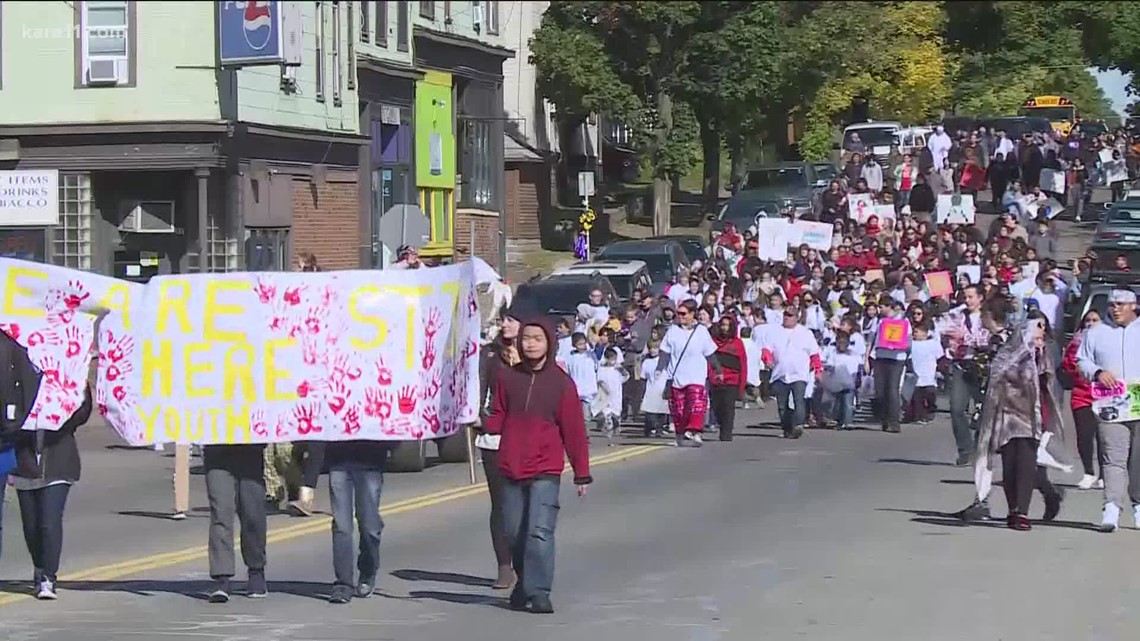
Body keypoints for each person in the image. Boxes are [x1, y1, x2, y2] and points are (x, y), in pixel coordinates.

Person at [483, 317, 593, 614]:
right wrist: (477, 422)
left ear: (549, 344)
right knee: (515, 533)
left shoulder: (560, 382)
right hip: (510, 465)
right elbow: (498, 416)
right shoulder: (508, 378)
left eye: (537, 339)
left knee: (539, 532)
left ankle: (539, 592)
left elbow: (574, 430)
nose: (531, 343)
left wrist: (581, 472)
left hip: (545, 467)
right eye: (527, 338)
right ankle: (524, 583)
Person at [974, 317, 1066, 531]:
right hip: (1006, 417)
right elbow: (995, 378)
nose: (1040, 336)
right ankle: (1012, 508)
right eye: (1036, 332)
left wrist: (1040, 355)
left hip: (1031, 417)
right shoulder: (1006, 353)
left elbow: (1049, 382)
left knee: (1026, 463)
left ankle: (1022, 512)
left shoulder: (1041, 355)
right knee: (1010, 464)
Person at [9, 381, 90, 600]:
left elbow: (83, 411)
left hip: (58, 462)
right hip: (24, 462)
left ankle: (48, 577)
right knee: (31, 525)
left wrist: (63, 413)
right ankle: (39, 565)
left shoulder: (67, 372)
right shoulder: (19, 374)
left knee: (49, 521)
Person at [1077, 288, 1140, 532]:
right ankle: (1111, 508)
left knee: (1138, 459)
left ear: (1134, 306)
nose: (1115, 308)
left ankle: (1138, 505)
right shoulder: (1096, 332)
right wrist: (1097, 372)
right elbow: (1082, 360)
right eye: (1113, 304)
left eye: (1121, 304)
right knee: (1113, 457)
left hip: (1138, 401)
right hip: (1110, 404)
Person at [477, 307, 524, 591]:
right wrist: (481, 419)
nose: (504, 324)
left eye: (510, 319)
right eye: (502, 319)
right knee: (501, 504)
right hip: (494, 440)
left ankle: (525, 562)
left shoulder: (536, 353)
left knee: (525, 505)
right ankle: (504, 565)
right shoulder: (489, 355)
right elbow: (478, 391)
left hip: (527, 438)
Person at [325, 434, 393, 604]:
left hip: (370, 461)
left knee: (370, 525)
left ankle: (367, 572)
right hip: (338, 460)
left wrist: (390, 442)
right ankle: (343, 584)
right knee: (342, 525)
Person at [204, 441, 269, 602]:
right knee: (221, 513)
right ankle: (222, 578)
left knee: (252, 514)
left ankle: (256, 570)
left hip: (250, 449)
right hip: (217, 450)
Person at [287, 253, 326, 517]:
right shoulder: (288, 303)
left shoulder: (322, 302)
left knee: (315, 441)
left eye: (299, 268)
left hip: (319, 384)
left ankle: (306, 496)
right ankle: (290, 491)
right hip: (293, 382)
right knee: (288, 444)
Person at [657, 300, 721, 447]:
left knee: (695, 405)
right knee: (678, 409)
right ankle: (680, 435)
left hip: (696, 376)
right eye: (678, 313)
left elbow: (710, 353)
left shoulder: (702, 331)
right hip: (677, 376)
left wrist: (718, 370)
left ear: (692, 314)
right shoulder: (672, 331)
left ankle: (695, 432)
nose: (680, 316)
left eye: (683, 314)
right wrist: (660, 369)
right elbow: (665, 352)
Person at [942, 285, 990, 466]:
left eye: (971, 297)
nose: (968, 300)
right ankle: (965, 450)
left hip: (981, 365)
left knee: (984, 411)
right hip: (961, 364)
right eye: (965, 297)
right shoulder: (958, 316)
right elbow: (943, 331)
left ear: (980, 298)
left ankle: (981, 448)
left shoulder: (987, 316)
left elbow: (991, 338)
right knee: (956, 409)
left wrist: (969, 339)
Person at [1062, 310, 1103, 491]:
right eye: (1088, 320)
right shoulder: (1076, 343)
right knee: (1084, 436)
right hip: (1081, 394)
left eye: (1095, 320)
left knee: (1104, 437)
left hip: (1105, 395)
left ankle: (1104, 475)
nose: (1091, 323)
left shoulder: (1110, 343)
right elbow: (1068, 365)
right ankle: (1088, 472)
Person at [769, 305, 821, 439]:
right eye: (785, 314)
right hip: (780, 374)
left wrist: (818, 370)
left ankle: (798, 425)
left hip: (799, 373)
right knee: (782, 405)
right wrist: (767, 359)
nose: (787, 317)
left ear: (797, 318)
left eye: (790, 315)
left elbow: (814, 353)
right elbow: (766, 349)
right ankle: (787, 428)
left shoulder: (805, 333)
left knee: (799, 401)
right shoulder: (775, 331)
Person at [709, 314, 748, 442]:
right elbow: (709, 362)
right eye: (723, 325)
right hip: (716, 381)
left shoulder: (737, 343)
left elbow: (743, 364)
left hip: (732, 381)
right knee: (717, 407)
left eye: (728, 326)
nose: (725, 328)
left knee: (728, 407)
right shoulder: (713, 342)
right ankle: (721, 424)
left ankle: (726, 433)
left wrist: (741, 388)